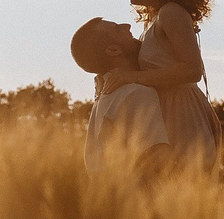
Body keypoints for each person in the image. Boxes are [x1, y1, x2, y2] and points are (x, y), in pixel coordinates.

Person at [116, 0, 219, 169]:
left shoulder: (171, 13)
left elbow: (192, 70)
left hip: (182, 115)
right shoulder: (154, 20)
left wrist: (133, 77)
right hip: (164, 113)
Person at [70, 16, 171, 174]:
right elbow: (155, 159)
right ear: (113, 50)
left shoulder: (103, 100)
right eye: (117, 28)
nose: (127, 25)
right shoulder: (137, 93)